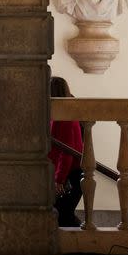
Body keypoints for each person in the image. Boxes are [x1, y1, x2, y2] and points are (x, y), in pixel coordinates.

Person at [49, 76, 84, 227]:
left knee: (63, 216)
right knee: (64, 216)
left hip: (71, 175)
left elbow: (66, 152)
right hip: (67, 173)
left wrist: (59, 179)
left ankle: (83, 247)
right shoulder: (61, 114)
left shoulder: (65, 117)